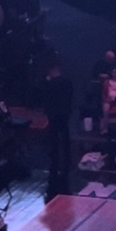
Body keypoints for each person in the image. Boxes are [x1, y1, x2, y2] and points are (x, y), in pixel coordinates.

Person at [43, 63, 74, 199]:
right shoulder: (68, 82)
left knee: (54, 137)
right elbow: (71, 97)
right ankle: (67, 157)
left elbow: (46, 98)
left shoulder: (50, 84)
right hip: (64, 113)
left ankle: (55, 157)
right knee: (65, 135)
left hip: (54, 114)